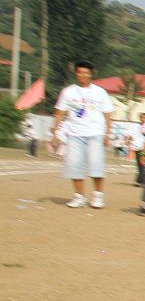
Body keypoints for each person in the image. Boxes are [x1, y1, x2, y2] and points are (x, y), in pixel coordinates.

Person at [52, 60, 114, 209]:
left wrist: (107, 133)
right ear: (76, 73)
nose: (83, 75)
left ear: (91, 74)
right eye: (80, 72)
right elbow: (59, 113)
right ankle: (79, 196)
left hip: (95, 133)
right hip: (75, 133)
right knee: (74, 166)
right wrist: (55, 133)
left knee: (96, 165)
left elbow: (107, 114)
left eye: (86, 73)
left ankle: (98, 196)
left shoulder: (100, 92)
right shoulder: (68, 92)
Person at [129, 112, 145, 187]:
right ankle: (140, 180)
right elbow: (132, 134)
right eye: (141, 117)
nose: (143, 119)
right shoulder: (136, 126)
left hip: (144, 148)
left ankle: (143, 181)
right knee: (139, 164)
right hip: (137, 147)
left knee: (143, 164)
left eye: (144, 118)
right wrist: (129, 140)